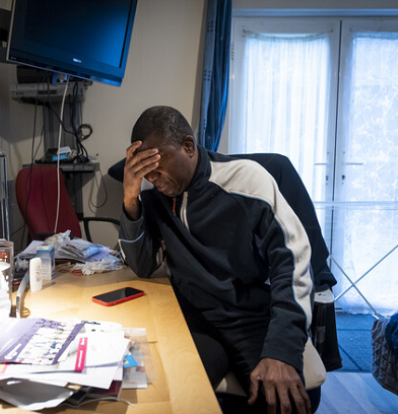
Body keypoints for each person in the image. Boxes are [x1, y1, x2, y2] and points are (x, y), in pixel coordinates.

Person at [118, 106, 316, 414]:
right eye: (144, 167)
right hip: (191, 319)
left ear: (188, 146)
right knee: (161, 398)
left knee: (284, 401)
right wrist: (131, 200)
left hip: (247, 317)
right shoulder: (154, 196)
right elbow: (142, 265)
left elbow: (293, 262)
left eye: (157, 162)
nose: (151, 175)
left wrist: (282, 350)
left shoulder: (247, 180)